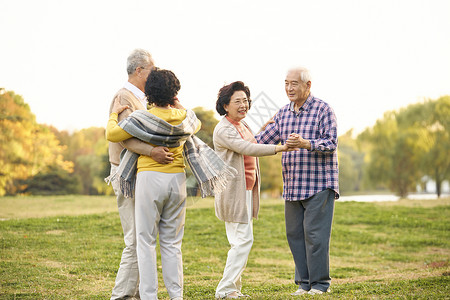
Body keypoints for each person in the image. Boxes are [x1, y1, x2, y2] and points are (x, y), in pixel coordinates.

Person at [255, 67, 339, 295]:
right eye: (286, 83)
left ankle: (320, 284)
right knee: (295, 235)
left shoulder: (323, 109)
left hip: (319, 185)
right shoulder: (283, 113)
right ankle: (304, 283)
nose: (289, 88)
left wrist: (306, 143)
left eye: (294, 83)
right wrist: (256, 130)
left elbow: (331, 143)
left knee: (315, 236)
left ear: (308, 85)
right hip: (293, 186)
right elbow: (258, 142)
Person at [213, 81, 296, 299]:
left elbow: (251, 141)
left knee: (240, 241)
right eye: (238, 101)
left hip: (246, 191)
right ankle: (225, 289)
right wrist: (280, 147)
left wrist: (262, 130)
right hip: (233, 193)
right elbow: (246, 147)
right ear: (225, 105)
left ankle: (232, 289)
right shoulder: (223, 128)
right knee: (242, 241)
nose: (244, 105)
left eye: (246, 101)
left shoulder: (243, 125)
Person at [107, 49, 173, 300]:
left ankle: (133, 295)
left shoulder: (140, 98)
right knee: (135, 239)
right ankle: (122, 296)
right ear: (139, 70)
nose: (154, 73)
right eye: (152, 69)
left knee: (141, 237)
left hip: (139, 174)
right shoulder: (124, 96)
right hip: (127, 175)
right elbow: (126, 139)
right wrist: (153, 151)